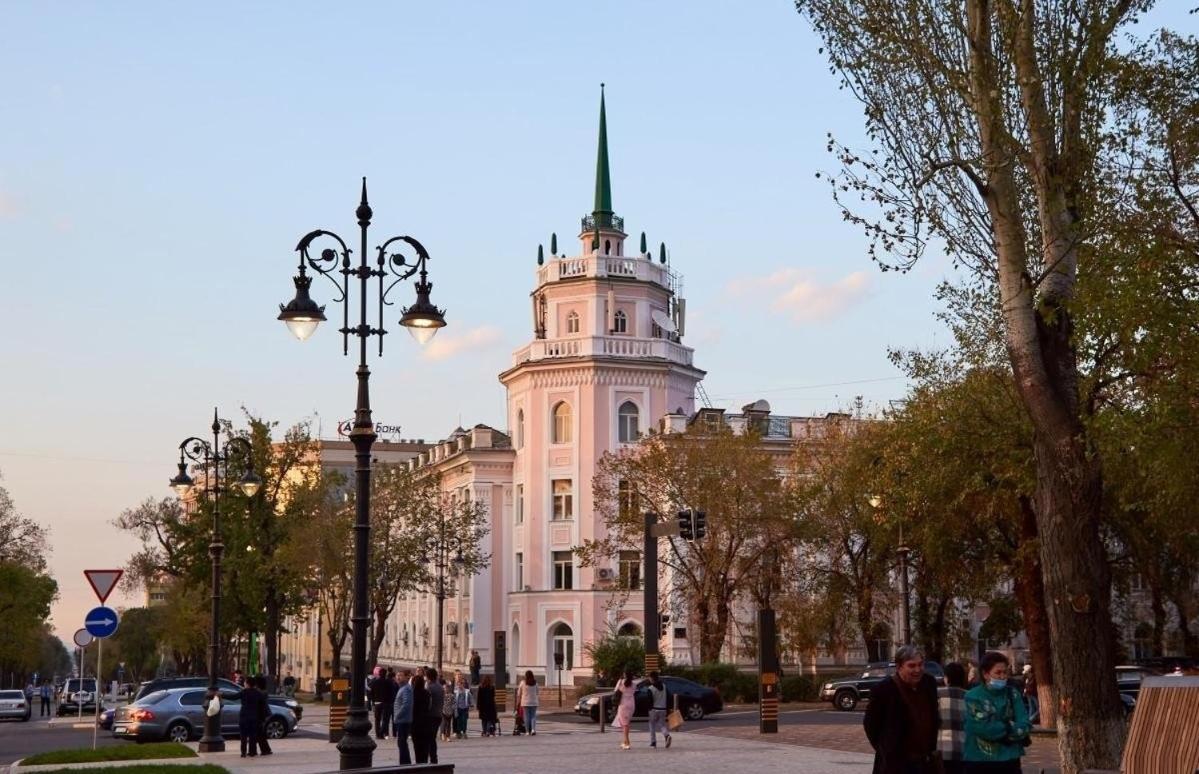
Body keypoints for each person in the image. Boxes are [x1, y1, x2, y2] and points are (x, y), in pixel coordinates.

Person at [863, 645, 942, 774]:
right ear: (899, 667)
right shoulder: (884, 690)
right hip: (896, 765)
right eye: (911, 666)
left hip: (925, 762)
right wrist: (886, 750)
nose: (917, 670)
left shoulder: (929, 683)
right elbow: (871, 725)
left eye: (920, 665)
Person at [963, 651, 1030, 774]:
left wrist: (1002, 727)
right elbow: (983, 728)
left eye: (1005, 672)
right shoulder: (973, 696)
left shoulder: (1013, 694)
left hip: (1010, 759)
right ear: (985, 674)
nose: (1003, 676)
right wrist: (1010, 727)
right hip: (980, 761)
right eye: (998, 673)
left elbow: (1025, 724)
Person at [938, 662, 968, 774]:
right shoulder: (970, 696)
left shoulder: (937, 694)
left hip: (941, 750)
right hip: (964, 751)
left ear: (946, 678)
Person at [238, 676, 267, 758]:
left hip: (244, 717)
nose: (244, 683)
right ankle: (252, 752)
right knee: (252, 736)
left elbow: (233, 696)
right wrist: (262, 718)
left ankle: (243, 752)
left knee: (243, 736)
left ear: (247, 684)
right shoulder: (258, 693)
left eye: (245, 682)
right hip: (254, 718)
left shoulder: (243, 692)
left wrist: (222, 694)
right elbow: (262, 707)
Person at [392, 669, 414, 765]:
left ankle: (404, 763)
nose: (398, 677)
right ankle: (404, 762)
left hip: (403, 720)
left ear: (406, 677)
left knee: (402, 742)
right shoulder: (402, 688)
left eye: (400, 675)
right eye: (397, 675)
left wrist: (397, 715)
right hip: (401, 720)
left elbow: (406, 704)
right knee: (401, 743)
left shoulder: (406, 689)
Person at [613, 668, 638, 750]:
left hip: (623, 704)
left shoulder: (621, 682)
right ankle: (624, 741)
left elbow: (616, 690)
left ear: (624, 674)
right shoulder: (634, 684)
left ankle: (627, 742)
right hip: (631, 704)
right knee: (626, 723)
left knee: (625, 724)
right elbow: (634, 692)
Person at [410, 672, 432, 764]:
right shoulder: (427, 693)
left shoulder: (412, 693)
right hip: (425, 721)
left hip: (415, 722)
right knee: (425, 744)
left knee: (417, 744)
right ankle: (424, 761)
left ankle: (418, 762)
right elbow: (430, 706)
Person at [647, 670, 672, 749]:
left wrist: (649, 709)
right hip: (663, 709)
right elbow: (668, 697)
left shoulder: (650, 688)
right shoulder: (664, 686)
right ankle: (667, 735)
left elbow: (649, 700)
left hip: (654, 709)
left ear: (651, 678)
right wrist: (668, 708)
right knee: (662, 725)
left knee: (652, 725)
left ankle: (653, 742)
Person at [425, 668, 444, 764]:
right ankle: (433, 757)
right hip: (438, 715)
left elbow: (428, 703)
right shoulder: (440, 687)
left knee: (430, 738)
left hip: (431, 715)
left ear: (428, 677)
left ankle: (432, 758)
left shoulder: (429, 687)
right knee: (432, 738)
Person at [515, 670, 540, 735]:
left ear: (526, 676)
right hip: (534, 702)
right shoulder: (535, 683)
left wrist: (518, 703)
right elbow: (537, 692)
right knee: (533, 716)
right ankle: (533, 730)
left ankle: (527, 731)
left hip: (525, 702)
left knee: (526, 716)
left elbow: (519, 694)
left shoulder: (522, 683)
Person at [454, 674, 474, 738]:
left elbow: (470, 698)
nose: (460, 685)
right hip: (458, 708)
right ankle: (459, 732)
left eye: (462, 684)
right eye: (459, 684)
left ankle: (464, 732)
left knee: (464, 720)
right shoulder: (456, 691)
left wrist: (471, 704)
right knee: (458, 720)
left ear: (463, 684)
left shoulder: (467, 691)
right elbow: (454, 700)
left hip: (465, 708)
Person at [440, 674, 455, 741]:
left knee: (448, 724)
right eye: (444, 688)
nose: (445, 689)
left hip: (450, 711)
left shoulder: (452, 695)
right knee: (443, 723)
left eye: (447, 688)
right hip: (443, 711)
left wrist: (453, 709)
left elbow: (454, 703)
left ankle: (448, 736)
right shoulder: (441, 695)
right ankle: (443, 734)